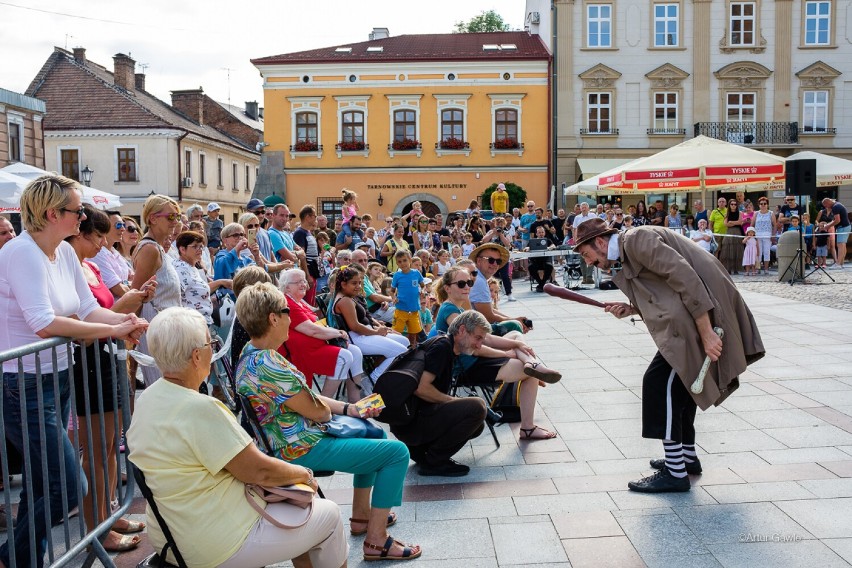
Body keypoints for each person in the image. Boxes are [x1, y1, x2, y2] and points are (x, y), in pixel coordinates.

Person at [0, 175, 148, 567]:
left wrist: (124, 319)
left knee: (43, 485)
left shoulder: (63, 253)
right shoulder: (21, 252)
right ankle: (11, 556)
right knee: (67, 486)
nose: (83, 217)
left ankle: (23, 557)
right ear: (52, 214)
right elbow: (43, 322)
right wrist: (111, 329)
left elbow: (85, 308)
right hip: (22, 382)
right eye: (76, 211)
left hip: (56, 376)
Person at [127, 307, 348, 568]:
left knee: (299, 511)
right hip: (215, 542)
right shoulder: (200, 408)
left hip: (171, 534)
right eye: (210, 343)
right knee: (330, 516)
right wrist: (304, 474)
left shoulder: (149, 398)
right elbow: (258, 471)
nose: (213, 350)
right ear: (197, 356)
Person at [572, 218, 764, 493]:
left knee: (659, 384)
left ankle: (675, 473)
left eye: (587, 255)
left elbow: (685, 277)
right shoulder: (627, 250)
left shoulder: (637, 240)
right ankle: (686, 459)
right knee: (681, 388)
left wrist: (707, 331)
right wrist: (631, 308)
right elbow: (660, 289)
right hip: (690, 316)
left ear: (600, 242)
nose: (590, 263)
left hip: (697, 317)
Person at [233, 282, 420, 562]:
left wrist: (351, 408)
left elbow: (307, 398)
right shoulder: (269, 365)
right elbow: (318, 412)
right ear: (273, 318)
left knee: (375, 436)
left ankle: (361, 517)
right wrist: (344, 410)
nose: (292, 318)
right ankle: (377, 541)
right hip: (299, 449)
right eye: (288, 312)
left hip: (287, 443)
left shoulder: (252, 354)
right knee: (397, 454)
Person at [66, 205, 154, 553]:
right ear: (79, 234)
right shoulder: (72, 267)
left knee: (109, 448)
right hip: (89, 362)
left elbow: (101, 313)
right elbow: (83, 322)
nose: (103, 244)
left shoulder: (89, 267)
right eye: (97, 236)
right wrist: (126, 307)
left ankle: (107, 514)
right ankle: (97, 530)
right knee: (98, 451)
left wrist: (124, 323)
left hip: (108, 357)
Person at [280, 269, 366, 400]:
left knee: (355, 352)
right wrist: (338, 332)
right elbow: (312, 330)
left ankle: (355, 401)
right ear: (287, 287)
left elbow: (316, 315)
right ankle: (324, 403)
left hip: (316, 345)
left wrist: (331, 297)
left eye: (304, 280)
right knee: (345, 356)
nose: (303, 284)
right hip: (302, 352)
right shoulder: (288, 303)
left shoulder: (299, 301)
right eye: (298, 282)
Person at [132, 194, 182, 387]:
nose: (175, 221)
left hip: (167, 327)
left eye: (177, 216)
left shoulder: (159, 248)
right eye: (171, 217)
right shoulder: (149, 249)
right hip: (155, 328)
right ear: (153, 218)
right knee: (163, 386)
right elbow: (136, 294)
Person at [329, 263, 409, 382]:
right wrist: (376, 332)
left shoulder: (348, 296)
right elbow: (355, 326)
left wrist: (379, 328)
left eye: (359, 282)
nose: (358, 286)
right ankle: (373, 380)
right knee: (401, 351)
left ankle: (381, 373)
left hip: (364, 334)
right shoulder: (344, 300)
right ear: (343, 284)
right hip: (358, 339)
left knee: (404, 341)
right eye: (354, 283)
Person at [174, 231, 232, 326]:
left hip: (200, 321)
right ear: (182, 249)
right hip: (192, 324)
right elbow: (176, 298)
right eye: (195, 246)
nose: (200, 249)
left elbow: (197, 290)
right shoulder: (180, 269)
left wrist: (221, 282)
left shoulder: (191, 266)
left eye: (201, 246)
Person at [391, 250, 424, 345]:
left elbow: (422, 285)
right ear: (397, 263)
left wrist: (423, 291)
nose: (402, 263)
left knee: (413, 333)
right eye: (399, 261)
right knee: (396, 332)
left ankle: (412, 350)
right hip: (401, 308)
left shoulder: (416, 273)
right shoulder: (397, 275)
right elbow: (392, 291)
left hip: (414, 309)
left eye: (404, 260)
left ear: (410, 260)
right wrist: (393, 297)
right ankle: (395, 348)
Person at [293, 205, 322, 305]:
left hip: (313, 272)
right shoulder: (299, 233)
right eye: (314, 216)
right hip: (308, 273)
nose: (315, 218)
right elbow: (302, 256)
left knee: (312, 302)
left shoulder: (308, 232)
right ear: (307, 217)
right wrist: (307, 275)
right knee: (307, 303)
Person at [820, 197, 849, 269]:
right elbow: (835, 219)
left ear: (828, 203)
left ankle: (838, 264)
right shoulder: (838, 204)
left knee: (840, 245)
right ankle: (841, 263)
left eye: (825, 206)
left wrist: (827, 226)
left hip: (842, 227)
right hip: (845, 226)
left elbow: (837, 220)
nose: (826, 207)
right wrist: (828, 224)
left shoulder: (835, 207)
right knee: (843, 245)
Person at [527, 225, 556, 292]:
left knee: (549, 266)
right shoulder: (532, 241)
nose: (541, 234)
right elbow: (526, 248)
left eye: (542, 232)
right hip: (535, 262)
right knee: (530, 267)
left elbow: (553, 245)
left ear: (544, 233)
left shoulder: (547, 240)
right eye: (539, 232)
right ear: (536, 234)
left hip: (545, 261)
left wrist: (549, 248)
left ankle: (541, 285)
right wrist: (528, 248)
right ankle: (542, 284)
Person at [721, 199, 745, 274]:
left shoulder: (740, 213)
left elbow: (740, 222)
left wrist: (731, 222)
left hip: (737, 232)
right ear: (729, 205)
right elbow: (725, 224)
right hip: (729, 231)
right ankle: (728, 268)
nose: (733, 206)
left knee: (737, 250)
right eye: (732, 204)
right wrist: (734, 223)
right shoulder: (727, 213)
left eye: (735, 204)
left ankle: (736, 269)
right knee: (727, 250)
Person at [753, 197, 776, 274]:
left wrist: (773, 235)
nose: (763, 205)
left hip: (767, 236)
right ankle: (758, 268)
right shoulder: (756, 213)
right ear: (759, 205)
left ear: (767, 204)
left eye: (765, 203)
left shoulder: (771, 213)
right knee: (758, 253)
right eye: (761, 204)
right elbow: (752, 225)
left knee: (766, 252)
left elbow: (774, 225)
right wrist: (752, 235)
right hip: (757, 235)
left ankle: (766, 269)